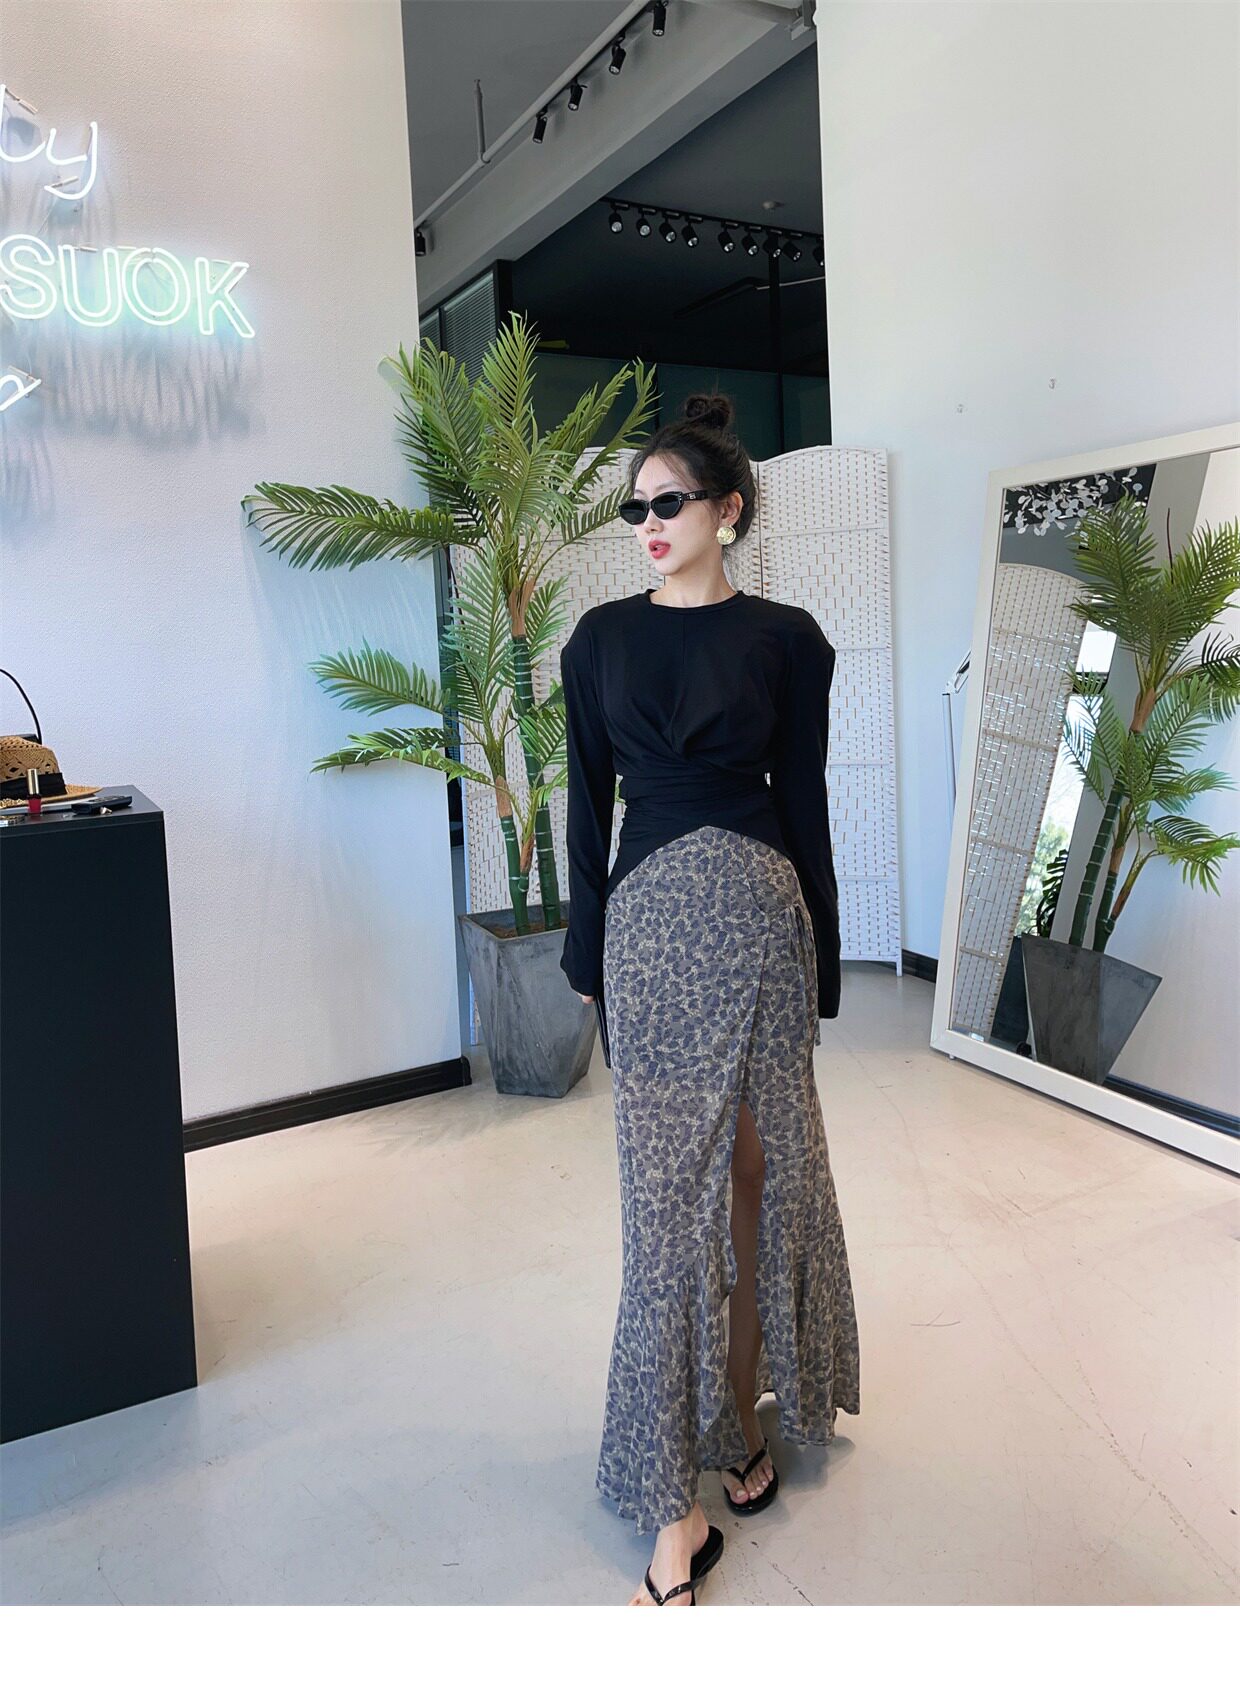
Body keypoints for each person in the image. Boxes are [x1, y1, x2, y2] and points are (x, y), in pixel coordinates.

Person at [558, 392, 861, 1607]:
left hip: (764, 923)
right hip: (650, 932)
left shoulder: (788, 639)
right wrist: (586, 949)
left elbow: (807, 804)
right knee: (663, 1213)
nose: (647, 521)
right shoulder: (598, 642)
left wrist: (824, 951)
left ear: (726, 510)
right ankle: (668, 1511)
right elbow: (586, 807)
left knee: (763, 1174)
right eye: (634, 506)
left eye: (668, 501)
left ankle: (738, 1417)